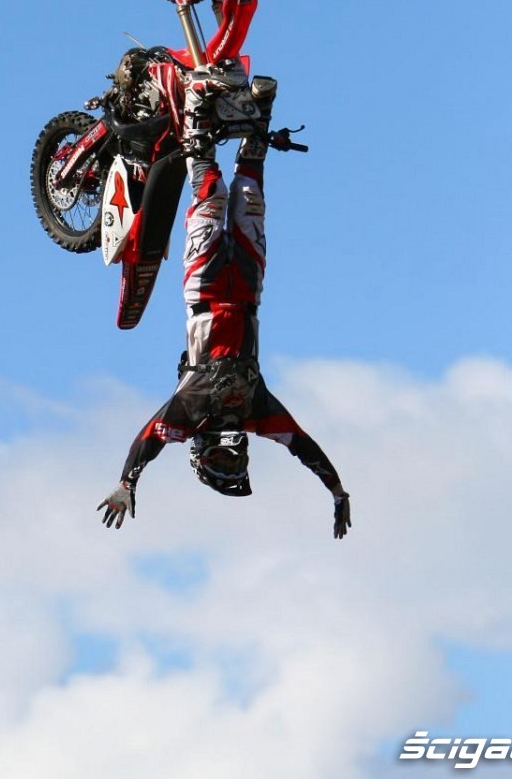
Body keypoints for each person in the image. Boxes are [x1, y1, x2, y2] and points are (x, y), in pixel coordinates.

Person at [97, 61, 351, 540]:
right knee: (249, 195)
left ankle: (196, 111)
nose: (229, 451)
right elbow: (302, 446)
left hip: (206, 287)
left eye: (221, 458)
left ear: (200, 453)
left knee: (210, 194)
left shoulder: (189, 412)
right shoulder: (259, 412)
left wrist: (127, 482)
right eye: (235, 460)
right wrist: (336, 491)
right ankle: (259, 111)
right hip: (249, 287)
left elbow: (149, 438)